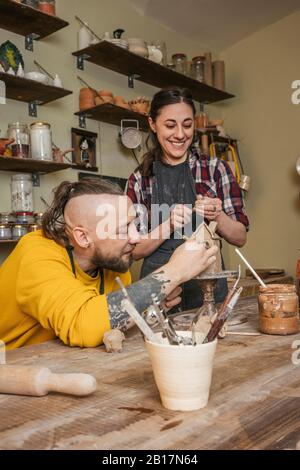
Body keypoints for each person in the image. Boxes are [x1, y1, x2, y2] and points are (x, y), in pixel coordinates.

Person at [0, 178, 218, 350]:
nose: (136, 237)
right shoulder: (37, 252)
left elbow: (107, 323)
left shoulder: (115, 264)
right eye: (124, 228)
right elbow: (82, 325)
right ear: (83, 237)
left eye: (135, 224)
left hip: (62, 362)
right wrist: (174, 271)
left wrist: (150, 307)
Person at [126, 88, 249, 310]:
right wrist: (169, 224)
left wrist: (217, 215)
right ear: (153, 124)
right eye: (170, 125)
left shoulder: (215, 170)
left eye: (187, 124)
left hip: (209, 293)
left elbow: (240, 237)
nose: (181, 134)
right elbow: (134, 251)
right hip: (159, 295)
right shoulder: (140, 179)